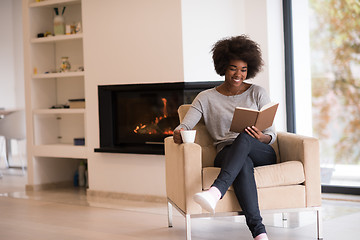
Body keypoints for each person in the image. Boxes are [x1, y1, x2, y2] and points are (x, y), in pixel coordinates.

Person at [173, 35, 277, 240]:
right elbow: (185, 124)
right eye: (233, 68)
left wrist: (261, 137)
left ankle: (215, 191)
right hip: (227, 153)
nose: (238, 74)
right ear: (223, 67)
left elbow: (272, 134)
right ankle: (260, 234)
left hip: (260, 149)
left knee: (245, 137)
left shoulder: (258, 93)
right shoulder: (206, 97)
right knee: (243, 162)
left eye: (244, 70)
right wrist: (178, 131)